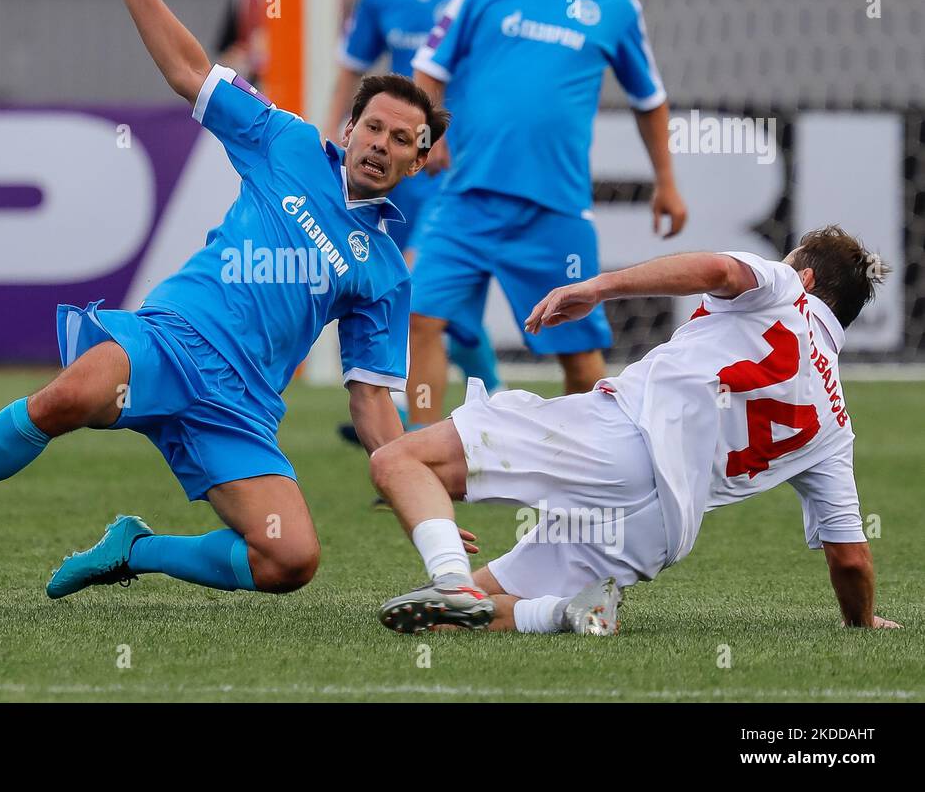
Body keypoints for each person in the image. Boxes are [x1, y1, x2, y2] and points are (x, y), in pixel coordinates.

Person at [0, 0, 453, 600]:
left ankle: (137, 550)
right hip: (172, 340)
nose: (381, 144)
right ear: (350, 126)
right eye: (374, 127)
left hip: (239, 407)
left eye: (402, 140)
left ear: (421, 162)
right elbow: (190, 70)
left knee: (290, 560)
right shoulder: (290, 142)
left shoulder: (387, 275)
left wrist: (412, 495)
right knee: (70, 395)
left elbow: (369, 402)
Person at [370, 227, 900, 636]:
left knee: (397, 462)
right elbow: (849, 556)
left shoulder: (785, 290)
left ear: (804, 278)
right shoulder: (835, 427)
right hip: (662, 528)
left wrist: (598, 287)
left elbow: (718, 268)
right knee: (446, 613)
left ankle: (451, 576)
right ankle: (560, 614)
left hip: (622, 439)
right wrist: (863, 622)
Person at [407, 0, 688, 429]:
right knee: (418, 317)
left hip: (554, 211)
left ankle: (588, 468)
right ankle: (423, 459)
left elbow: (649, 97)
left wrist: (666, 181)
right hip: (466, 199)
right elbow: (427, 68)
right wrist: (427, 132)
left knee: (580, 357)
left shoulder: (616, 7)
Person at [329, 0, 501, 448]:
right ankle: (479, 413)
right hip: (394, 167)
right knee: (420, 298)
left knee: (429, 299)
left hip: (460, 168)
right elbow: (352, 67)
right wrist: (336, 136)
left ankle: (423, 429)